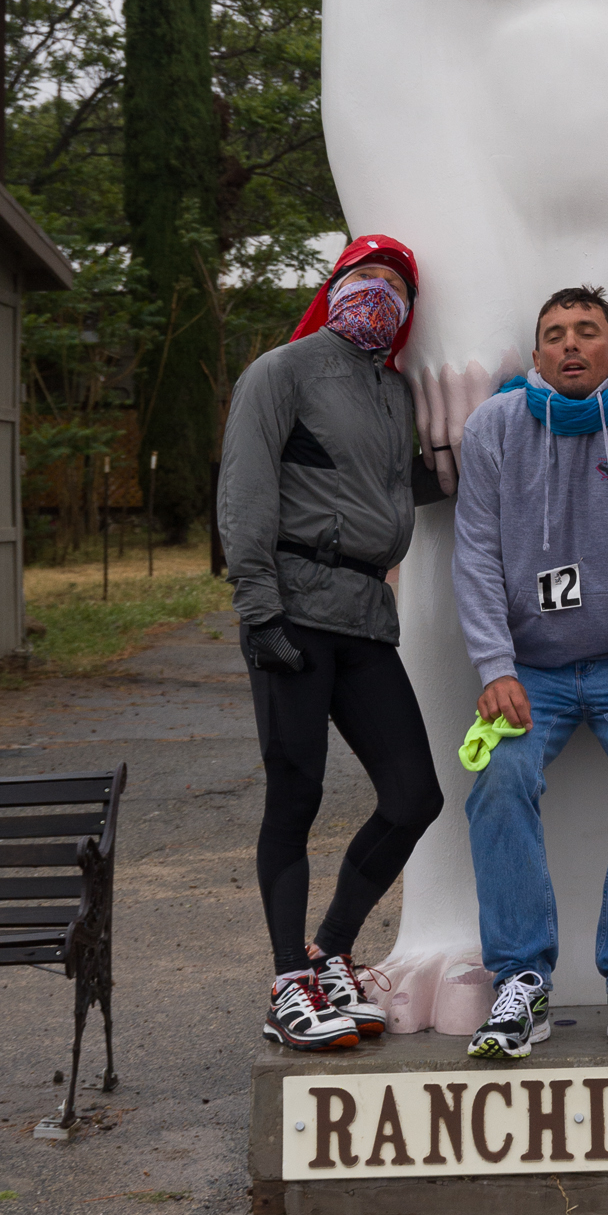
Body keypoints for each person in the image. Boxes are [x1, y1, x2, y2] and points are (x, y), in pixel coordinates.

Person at [452, 285, 608, 1060]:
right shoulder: (493, 425)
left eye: (587, 331)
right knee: (495, 773)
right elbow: (476, 554)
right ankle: (520, 979)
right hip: (532, 669)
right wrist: (494, 666)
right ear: (534, 357)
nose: (570, 344)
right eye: (554, 334)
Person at [218, 235, 448, 1051]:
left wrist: (471, 449)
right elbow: (244, 490)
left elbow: (394, 484)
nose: (378, 292)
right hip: (293, 610)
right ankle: (288, 981)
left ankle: (332, 951)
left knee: (416, 793)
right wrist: (259, 611)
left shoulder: (394, 392)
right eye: (365, 276)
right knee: (297, 795)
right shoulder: (281, 371)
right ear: (336, 284)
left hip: (365, 618)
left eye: (396, 284)